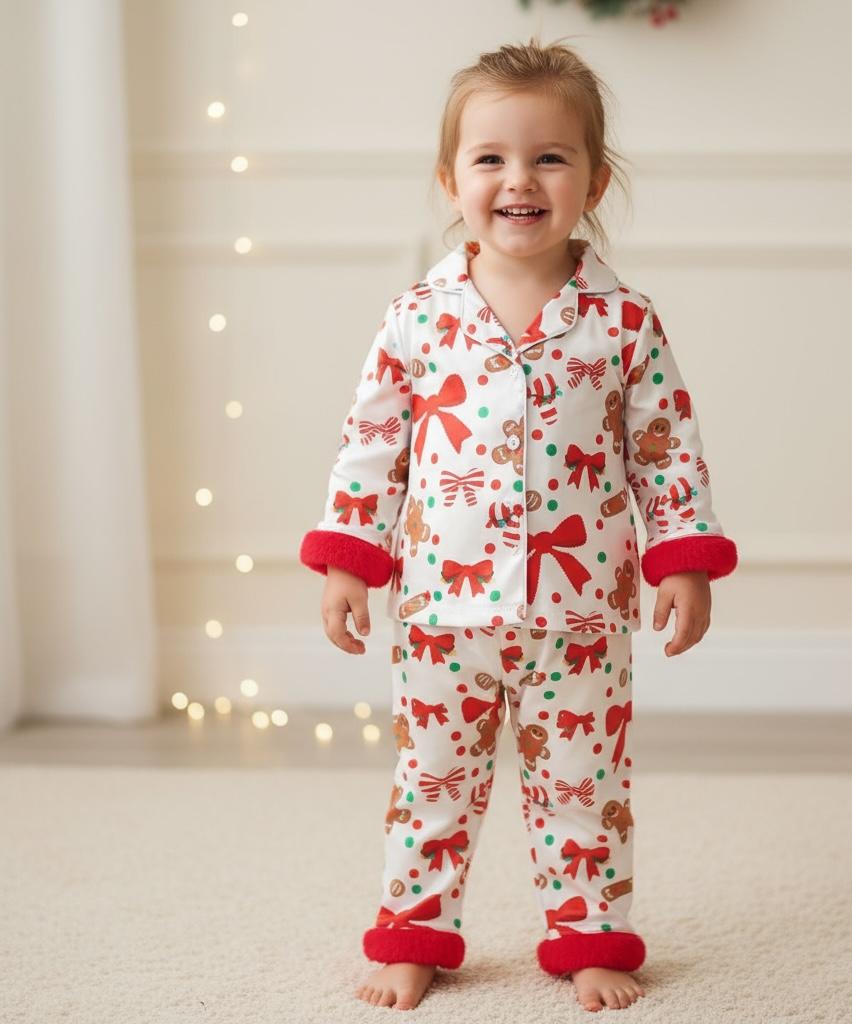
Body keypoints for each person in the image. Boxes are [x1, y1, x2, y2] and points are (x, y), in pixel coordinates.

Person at [299, 37, 739, 1013]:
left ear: (594, 178)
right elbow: (372, 445)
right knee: (432, 779)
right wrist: (346, 562)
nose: (518, 180)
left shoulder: (623, 324)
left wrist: (683, 559)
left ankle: (589, 933)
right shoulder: (416, 318)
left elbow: (665, 449)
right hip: (442, 614)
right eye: (490, 158)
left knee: (583, 784)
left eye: (549, 156)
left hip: (580, 612)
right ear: (449, 177)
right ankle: (413, 931)